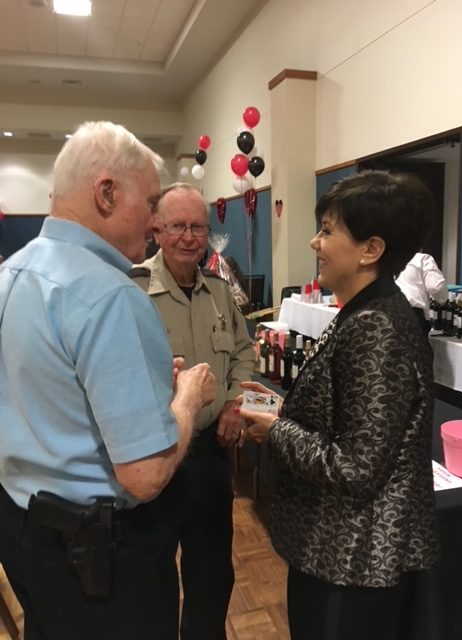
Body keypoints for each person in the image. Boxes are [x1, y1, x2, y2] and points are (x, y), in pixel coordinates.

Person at [0, 122, 217, 640]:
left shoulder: (14, 272)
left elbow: (48, 390)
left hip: (24, 529)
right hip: (98, 561)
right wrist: (187, 398)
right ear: (106, 193)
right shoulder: (110, 295)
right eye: (151, 203)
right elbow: (145, 474)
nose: (155, 221)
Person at [237, 170, 441, 640]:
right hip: (340, 550)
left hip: (355, 558)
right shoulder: (363, 310)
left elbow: (355, 467)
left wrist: (276, 430)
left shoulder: (377, 327)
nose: (315, 242)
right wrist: (285, 410)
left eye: (327, 231)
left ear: (371, 249)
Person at [130, 182, 255, 640]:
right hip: (154, 458)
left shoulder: (220, 291)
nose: (188, 237)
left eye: (198, 227)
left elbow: (243, 352)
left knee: (212, 576)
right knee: (151, 579)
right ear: (156, 230)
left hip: (209, 457)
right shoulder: (131, 289)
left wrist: (235, 403)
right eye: (177, 226)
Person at [396, 251, 448, 334]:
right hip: (413, 316)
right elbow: (436, 287)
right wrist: (442, 300)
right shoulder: (422, 259)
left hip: (387, 313)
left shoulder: (387, 260)